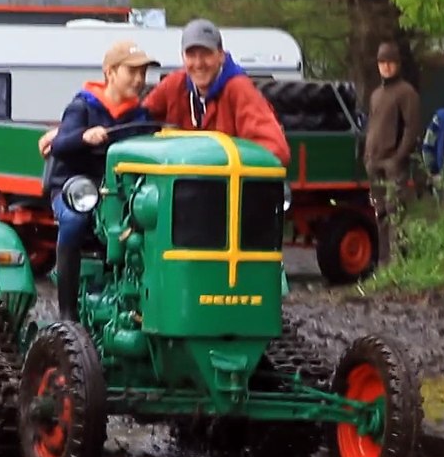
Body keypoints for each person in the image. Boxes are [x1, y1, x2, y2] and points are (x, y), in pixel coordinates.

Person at [38, 19, 289, 165]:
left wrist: (222, 159)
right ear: (183, 57)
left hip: (226, 192)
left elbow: (276, 150)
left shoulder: (238, 89)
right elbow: (134, 119)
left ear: (221, 56)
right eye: (191, 55)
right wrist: (71, 133)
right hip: (185, 189)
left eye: (206, 54)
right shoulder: (176, 84)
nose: (198, 63)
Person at [47, 39, 160, 321]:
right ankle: (67, 312)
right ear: (110, 72)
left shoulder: (141, 115)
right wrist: (83, 137)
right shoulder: (83, 106)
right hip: (77, 190)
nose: (139, 79)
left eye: (143, 73)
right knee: (74, 221)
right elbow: (59, 145)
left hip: (120, 193)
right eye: (131, 71)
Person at [363, 42, 421, 263]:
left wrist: (398, 158)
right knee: (380, 213)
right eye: (382, 62)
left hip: (393, 163)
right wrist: (367, 156)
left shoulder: (406, 92)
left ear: (398, 64)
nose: (386, 67)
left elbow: (412, 129)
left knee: (396, 213)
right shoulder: (376, 94)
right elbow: (372, 125)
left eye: (390, 62)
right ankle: (384, 264)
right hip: (374, 161)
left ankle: (399, 264)